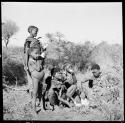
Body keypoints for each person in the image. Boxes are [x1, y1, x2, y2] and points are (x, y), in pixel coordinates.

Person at [24, 26, 46, 98]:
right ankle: (32, 100)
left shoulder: (36, 41)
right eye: (35, 31)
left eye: (37, 31)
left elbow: (40, 51)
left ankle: (38, 99)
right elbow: (27, 52)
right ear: (30, 31)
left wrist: (43, 49)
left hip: (38, 62)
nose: (36, 32)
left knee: (38, 82)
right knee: (31, 82)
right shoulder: (28, 40)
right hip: (32, 62)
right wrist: (25, 64)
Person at [28, 46, 45, 113]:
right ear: (30, 53)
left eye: (38, 53)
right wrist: (40, 59)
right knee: (35, 94)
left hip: (40, 79)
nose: (37, 55)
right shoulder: (31, 61)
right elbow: (38, 68)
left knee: (41, 93)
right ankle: (34, 110)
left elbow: (41, 67)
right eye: (36, 53)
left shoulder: (36, 60)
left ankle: (42, 108)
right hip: (35, 79)